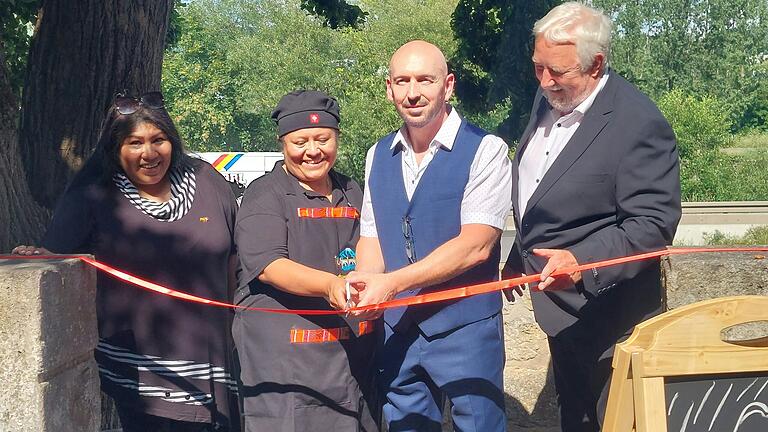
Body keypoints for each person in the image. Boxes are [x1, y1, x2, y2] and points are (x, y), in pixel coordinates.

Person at [501, 3, 682, 431]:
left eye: (557, 72)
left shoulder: (638, 123)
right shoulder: (550, 95)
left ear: (596, 63)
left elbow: (652, 224)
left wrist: (581, 263)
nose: (544, 81)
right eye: (537, 67)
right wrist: (520, 253)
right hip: (560, 315)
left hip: (608, 318)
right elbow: (546, 186)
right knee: (575, 419)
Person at [13, 91, 240, 431]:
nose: (148, 153)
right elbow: (58, 255)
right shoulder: (96, 193)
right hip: (144, 377)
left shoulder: (208, 181)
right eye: (134, 143)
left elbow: (237, 260)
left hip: (216, 364)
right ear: (116, 149)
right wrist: (38, 257)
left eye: (158, 140)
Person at [346, 41, 512, 432]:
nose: (412, 92)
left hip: (465, 329)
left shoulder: (487, 150)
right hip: (398, 329)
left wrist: (390, 284)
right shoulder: (377, 154)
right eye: (402, 81)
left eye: (425, 80)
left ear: (448, 85)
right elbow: (372, 235)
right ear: (389, 88)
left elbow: (476, 246)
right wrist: (366, 283)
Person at [232, 90, 379, 432]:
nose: (313, 151)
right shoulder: (264, 193)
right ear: (283, 142)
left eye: (323, 139)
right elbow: (269, 265)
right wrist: (330, 285)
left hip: (353, 357)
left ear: (337, 139)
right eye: (301, 141)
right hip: (289, 365)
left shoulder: (354, 190)